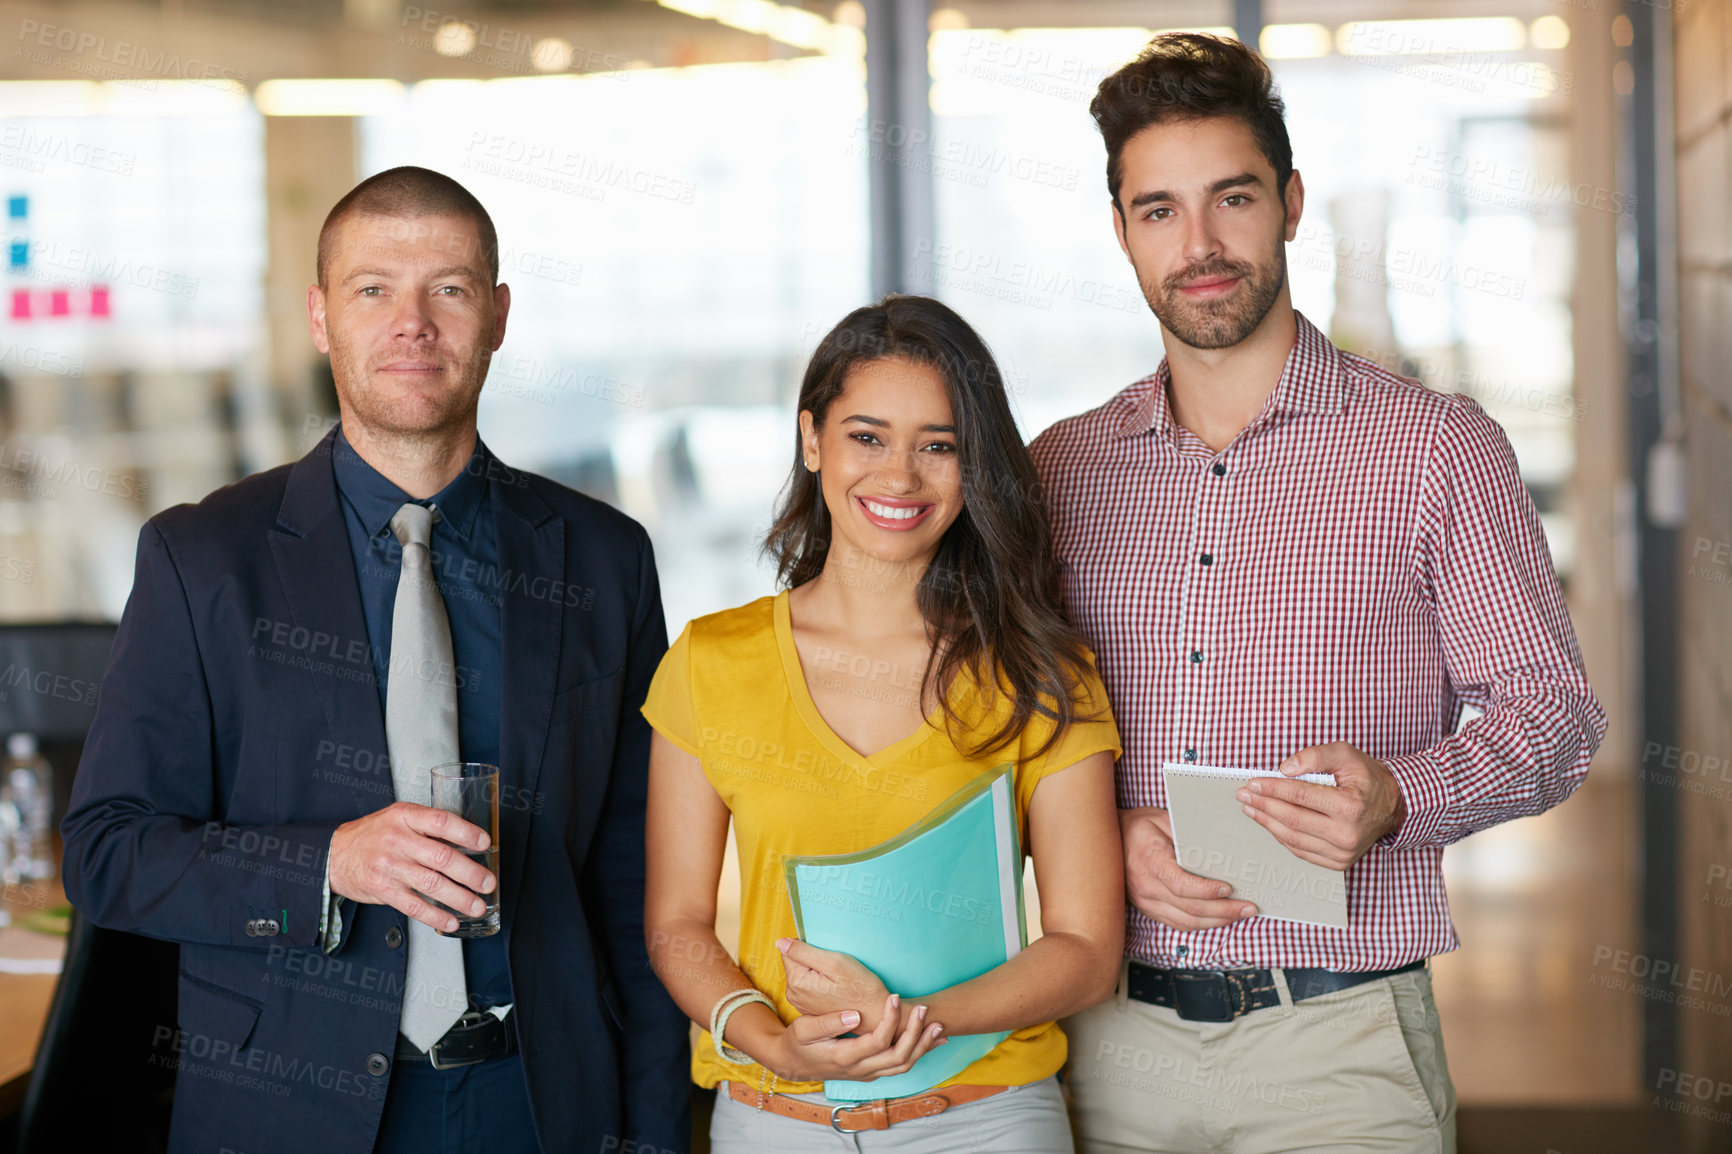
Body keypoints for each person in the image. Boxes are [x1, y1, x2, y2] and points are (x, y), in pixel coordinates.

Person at [1029, 34, 1607, 1154]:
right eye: (1157, 210)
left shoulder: (1437, 449)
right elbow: (995, 734)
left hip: (1341, 1046)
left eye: (1230, 198)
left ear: (1290, 204)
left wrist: (1400, 794)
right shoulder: (1059, 470)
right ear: (1120, 232)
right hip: (1105, 1037)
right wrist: (1097, 831)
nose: (1197, 246)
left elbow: (1557, 716)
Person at [61, 166, 689, 1154]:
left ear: (497, 315)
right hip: (288, 1108)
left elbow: (640, 882)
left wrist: (652, 1135)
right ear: (320, 318)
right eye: (372, 289)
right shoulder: (203, 557)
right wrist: (328, 860)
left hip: (541, 1104)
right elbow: (108, 850)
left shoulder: (604, 558)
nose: (413, 323)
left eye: (449, 287)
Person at [641, 295, 1125, 1150]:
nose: (899, 477)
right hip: (775, 1118)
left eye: (938, 446)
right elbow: (677, 924)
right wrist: (772, 1043)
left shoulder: (1043, 671)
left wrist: (906, 1021)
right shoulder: (712, 661)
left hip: (986, 1122)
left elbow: (1086, 946)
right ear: (811, 440)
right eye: (867, 437)